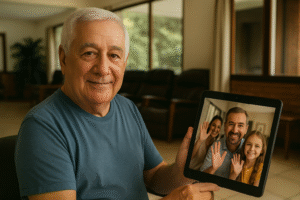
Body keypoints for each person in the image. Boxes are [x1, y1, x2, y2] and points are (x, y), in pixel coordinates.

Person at [14, 8, 219, 200]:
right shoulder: (42, 127)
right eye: (89, 53)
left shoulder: (127, 107)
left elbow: (155, 177)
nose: (103, 69)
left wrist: (182, 170)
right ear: (63, 58)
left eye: (114, 55)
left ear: (124, 62)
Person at [200, 107, 249, 178]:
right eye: (231, 124)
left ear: (246, 129)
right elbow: (201, 175)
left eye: (240, 125)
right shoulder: (216, 145)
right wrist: (213, 168)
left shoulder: (249, 149)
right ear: (225, 126)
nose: (235, 130)